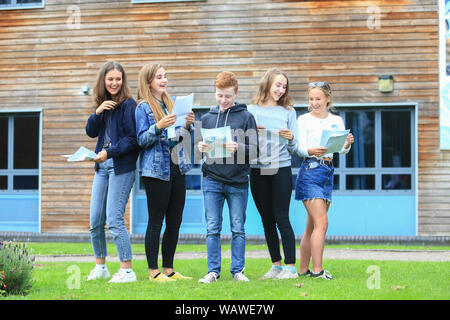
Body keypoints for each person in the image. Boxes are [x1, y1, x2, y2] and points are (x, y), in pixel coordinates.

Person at [135, 63, 195, 282]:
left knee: (175, 220)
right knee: (156, 221)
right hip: (156, 171)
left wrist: (188, 125)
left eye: (165, 76)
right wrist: (158, 126)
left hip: (177, 167)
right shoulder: (142, 107)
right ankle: (153, 272)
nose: (164, 80)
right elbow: (141, 140)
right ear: (148, 80)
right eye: (159, 77)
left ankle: (168, 269)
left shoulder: (171, 103)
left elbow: (181, 138)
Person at [197, 71, 258, 283]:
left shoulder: (246, 117)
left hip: (238, 181)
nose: (223, 100)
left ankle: (237, 271)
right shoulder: (206, 118)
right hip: (212, 179)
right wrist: (200, 147)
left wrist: (238, 146)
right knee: (212, 227)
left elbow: (256, 150)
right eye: (219, 95)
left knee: (238, 228)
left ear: (236, 93)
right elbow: (196, 153)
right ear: (215, 93)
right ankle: (213, 271)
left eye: (228, 96)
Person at [85, 61, 139, 283]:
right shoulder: (103, 105)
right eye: (110, 79)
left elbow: (133, 139)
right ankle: (101, 267)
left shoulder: (128, 105)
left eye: (118, 79)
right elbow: (90, 132)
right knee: (95, 219)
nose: (114, 83)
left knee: (114, 218)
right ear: (103, 81)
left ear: (123, 81)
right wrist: (97, 112)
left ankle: (127, 270)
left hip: (121, 167)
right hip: (102, 168)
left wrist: (110, 152)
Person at [295, 82, 354, 280]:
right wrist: (311, 150)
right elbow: (298, 148)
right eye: (311, 99)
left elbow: (341, 150)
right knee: (322, 223)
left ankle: (303, 270)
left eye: (318, 99)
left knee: (311, 227)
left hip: (328, 172)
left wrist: (346, 144)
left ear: (327, 99)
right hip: (310, 170)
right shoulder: (303, 120)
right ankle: (318, 272)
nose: (314, 103)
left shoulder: (337, 120)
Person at [247, 68, 299, 280]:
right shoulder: (251, 110)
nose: (281, 89)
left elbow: (295, 148)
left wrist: (291, 138)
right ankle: (276, 266)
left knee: (281, 217)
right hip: (257, 169)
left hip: (280, 168)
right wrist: (251, 133)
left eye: (284, 86)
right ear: (267, 84)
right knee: (266, 219)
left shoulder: (289, 112)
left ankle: (291, 268)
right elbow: (244, 143)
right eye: (278, 85)